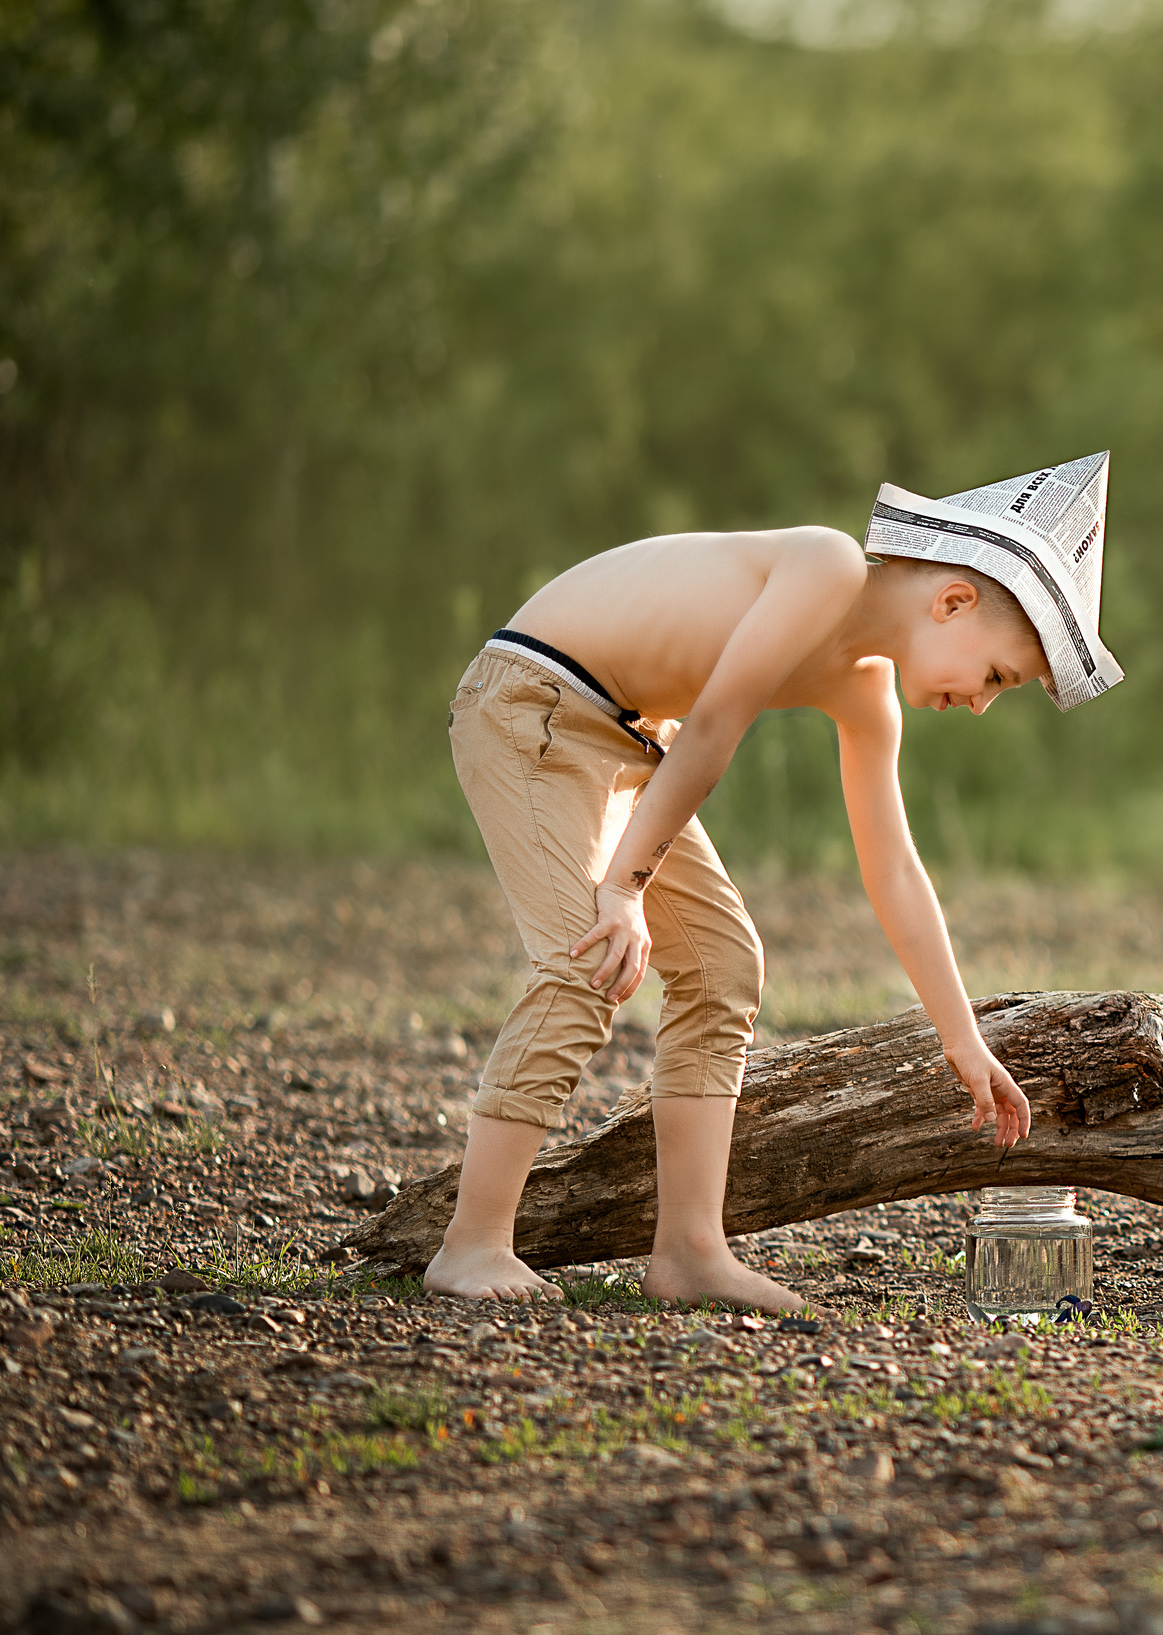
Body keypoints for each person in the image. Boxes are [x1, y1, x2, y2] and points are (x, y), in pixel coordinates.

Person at [424, 453, 1123, 1306]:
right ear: (952, 600)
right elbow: (712, 727)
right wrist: (622, 888)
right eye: (998, 677)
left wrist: (962, 1037)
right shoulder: (826, 564)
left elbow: (894, 866)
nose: (981, 703)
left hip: (628, 737)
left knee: (722, 966)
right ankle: (472, 1243)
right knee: (587, 956)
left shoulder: (868, 691)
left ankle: (687, 1250)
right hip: (536, 702)